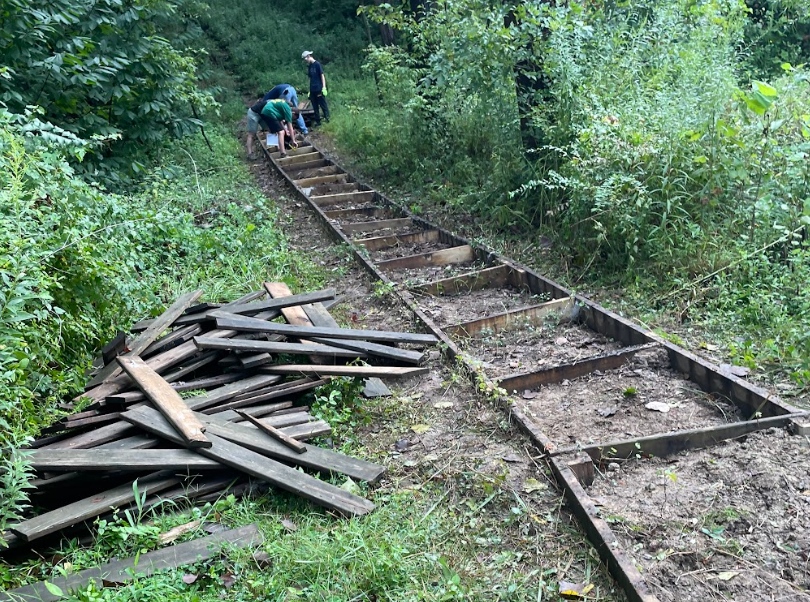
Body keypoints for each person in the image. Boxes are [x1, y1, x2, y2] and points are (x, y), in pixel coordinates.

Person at [302, 50, 329, 126]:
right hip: (312, 89)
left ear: (308, 56)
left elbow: (322, 76)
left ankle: (327, 119)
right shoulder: (310, 66)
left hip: (319, 88)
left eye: (305, 59)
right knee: (315, 106)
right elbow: (310, 78)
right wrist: (309, 90)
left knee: (323, 104)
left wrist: (324, 87)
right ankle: (318, 122)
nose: (305, 61)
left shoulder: (317, 64)